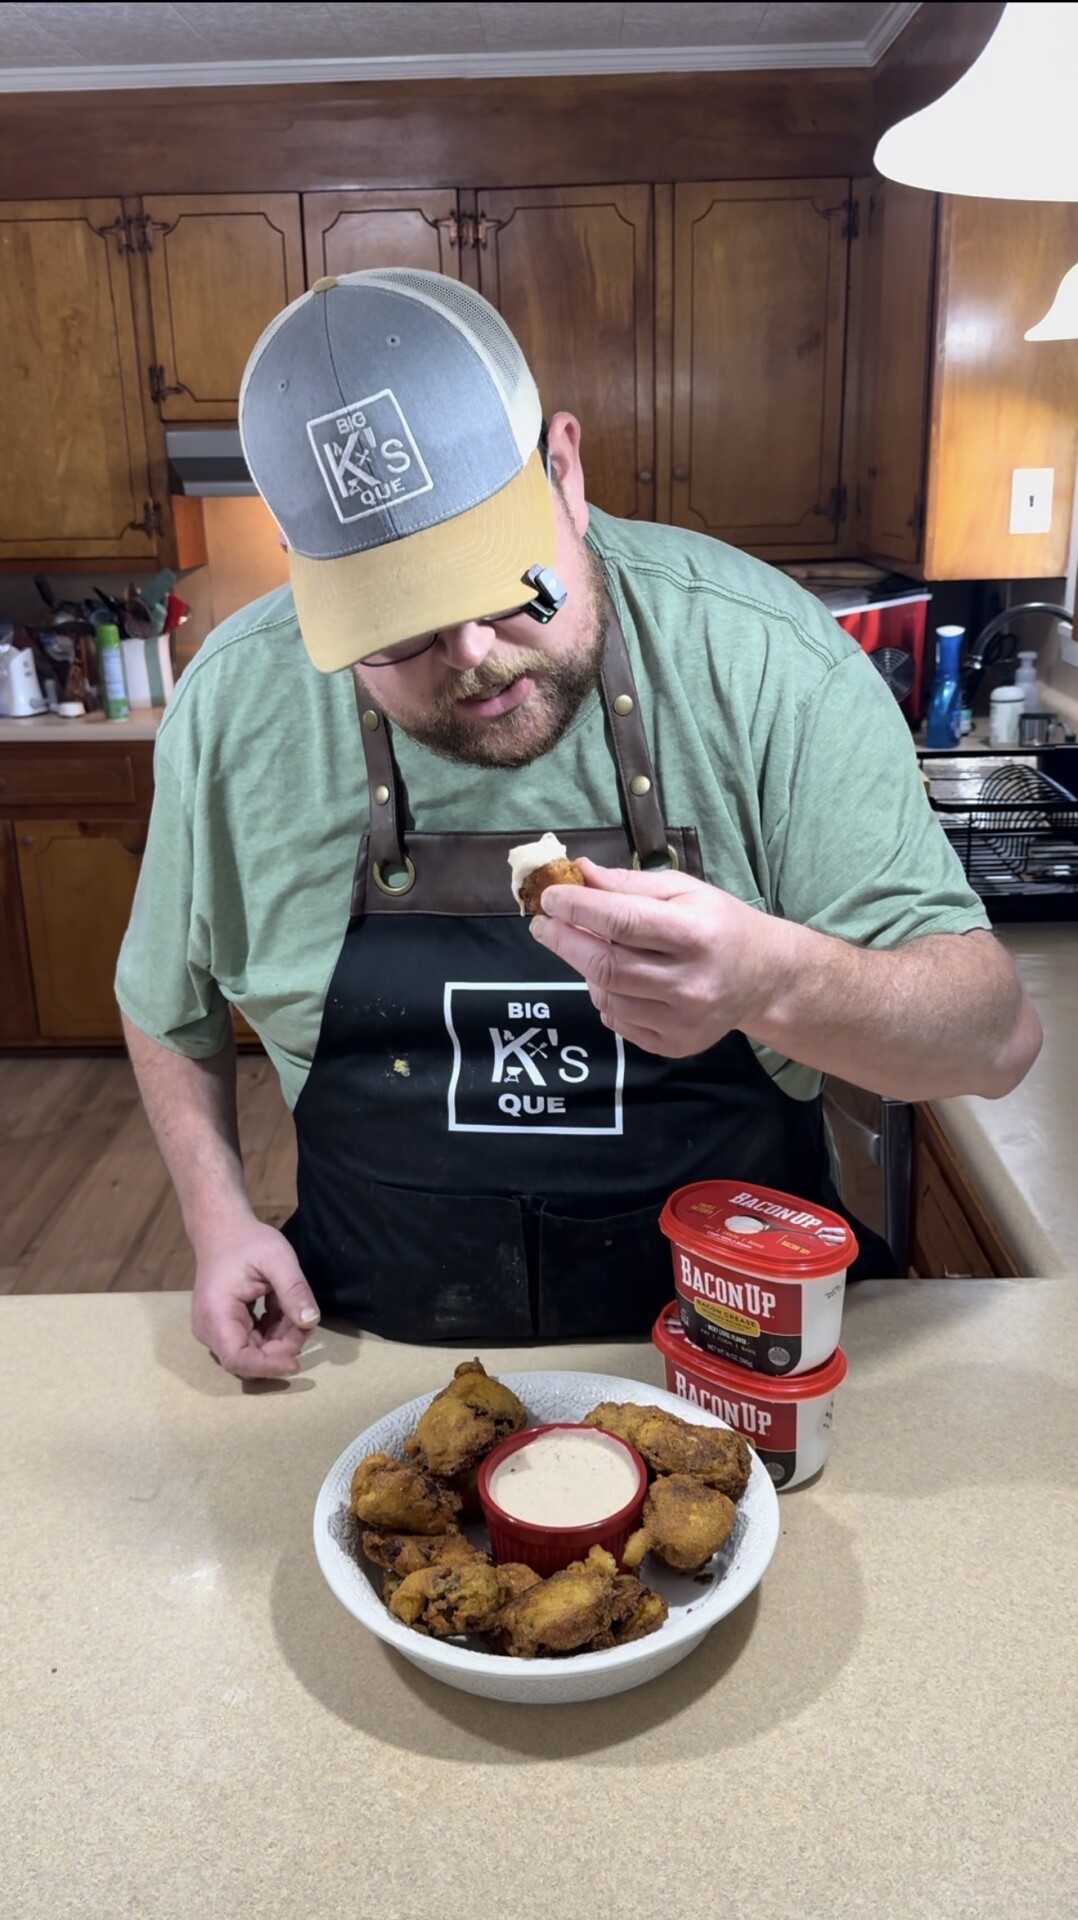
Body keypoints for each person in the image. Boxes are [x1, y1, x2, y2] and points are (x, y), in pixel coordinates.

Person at [116, 269, 1041, 1380]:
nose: (471, 656)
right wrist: (218, 1219)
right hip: (374, 1367)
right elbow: (166, 1006)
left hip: (738, 1360)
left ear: (566, 466)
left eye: (509, 586)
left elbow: (993, 1043)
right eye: (397, 634)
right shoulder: (233, 709)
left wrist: (771, 982)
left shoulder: (764, 662)